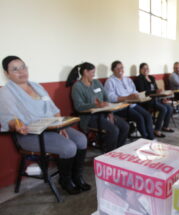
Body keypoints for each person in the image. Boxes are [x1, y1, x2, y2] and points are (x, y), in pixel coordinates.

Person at [0, 56, 90, 194]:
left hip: (53, 127)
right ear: (7, 73)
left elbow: (54, 109)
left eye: (23, 67)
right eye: (15, 69)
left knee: (81, 139)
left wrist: (62, 127)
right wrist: (17, 125)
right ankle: (65, 180)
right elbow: (9, 118)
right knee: (69, 147)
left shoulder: (37, 86)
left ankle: (77, 177)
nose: (21, 71)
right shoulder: (5, 92)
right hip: (31, 134)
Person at [66, 62, 129, 152]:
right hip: (90, 117)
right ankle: (109, 155)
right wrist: (96, 105)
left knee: (125, 126)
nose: (94, 75)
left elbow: (106, 98)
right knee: (114, 130)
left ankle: (118, 150)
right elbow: (78, 106)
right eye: (92, 72)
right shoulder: (77, 87)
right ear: (85, 72)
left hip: (104, 113)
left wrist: (110, 112)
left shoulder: (96, 82)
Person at [104, 61, 154, 140]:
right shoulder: (110, 81)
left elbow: (134, 91)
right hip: (121, 107)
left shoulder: (127, 79)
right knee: (139, 117)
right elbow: (110, 97)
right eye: (118, 68)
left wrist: (138, 95)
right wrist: (127, 97)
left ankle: (151, 137)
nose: (120, 70)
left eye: (122, 67)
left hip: (132, 104)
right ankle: (145, 139)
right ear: (113, 70)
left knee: (147, 115)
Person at [134, 62, 174, 138]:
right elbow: (142, 91)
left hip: (156, 98)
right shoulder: (139, 79)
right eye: (143, 68)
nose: (145, 70)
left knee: (169, 108)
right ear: (140, 70)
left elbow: (156, 89)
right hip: (147, 100)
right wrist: (155, 91)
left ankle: (165, 126)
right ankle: (157, 130)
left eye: (147, 68)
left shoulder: (151, 78)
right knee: (163, 109)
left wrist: (162, 96)